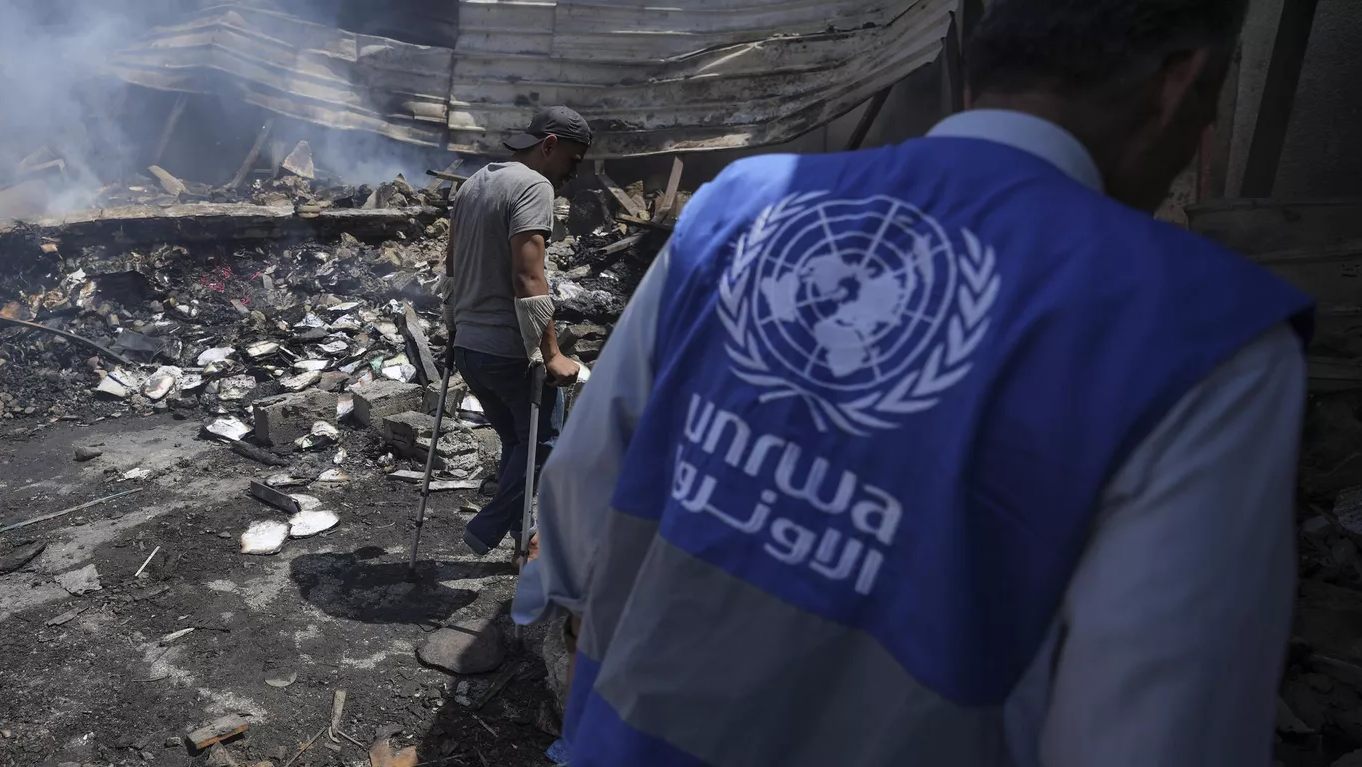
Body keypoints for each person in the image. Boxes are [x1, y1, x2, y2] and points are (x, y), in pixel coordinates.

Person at [517, 1, 1314, 765]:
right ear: (1184, 83)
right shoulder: (1203, 338)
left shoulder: (741, 205)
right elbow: (1153, 733)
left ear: (979, 68)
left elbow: (586, 487)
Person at [441, 106, 591, 556]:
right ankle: (487, 527)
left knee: (516, 443)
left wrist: (453, 332)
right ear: (549, 145)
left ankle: (522, 535)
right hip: (508, 351)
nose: (572, 173)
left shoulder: (473, 184)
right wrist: (551, 355)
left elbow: (450, 270)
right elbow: (528, 278)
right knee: (545, 443)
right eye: (573, 160)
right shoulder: (534, 185)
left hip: (471, 347)